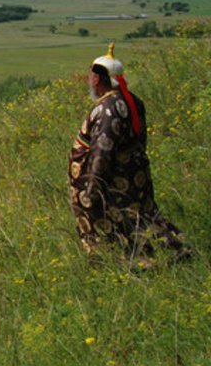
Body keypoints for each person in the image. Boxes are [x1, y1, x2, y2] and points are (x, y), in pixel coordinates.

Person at [68, 44, 189, 262]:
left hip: (115, 180)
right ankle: (170, 251)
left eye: (91, 75)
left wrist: (91, 189)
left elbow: (101, 152)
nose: (89, 80)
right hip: (134, 173)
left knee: (117, 220)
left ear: (97, 78)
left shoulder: (107, 109)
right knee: (142, 215)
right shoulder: (132, 100)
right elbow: (140, 141)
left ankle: (126, 262)